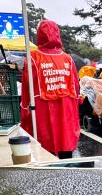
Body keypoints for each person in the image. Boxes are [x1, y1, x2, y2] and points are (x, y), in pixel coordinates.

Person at [20, 19, 80, 159]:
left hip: (43, 112)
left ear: (40, 35)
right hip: (66, 110)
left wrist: (24, 113)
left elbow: (25, 89)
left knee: (45, 152)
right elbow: (76, 90)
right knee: (66, 146)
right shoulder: (68, 59)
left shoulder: (33, 58)